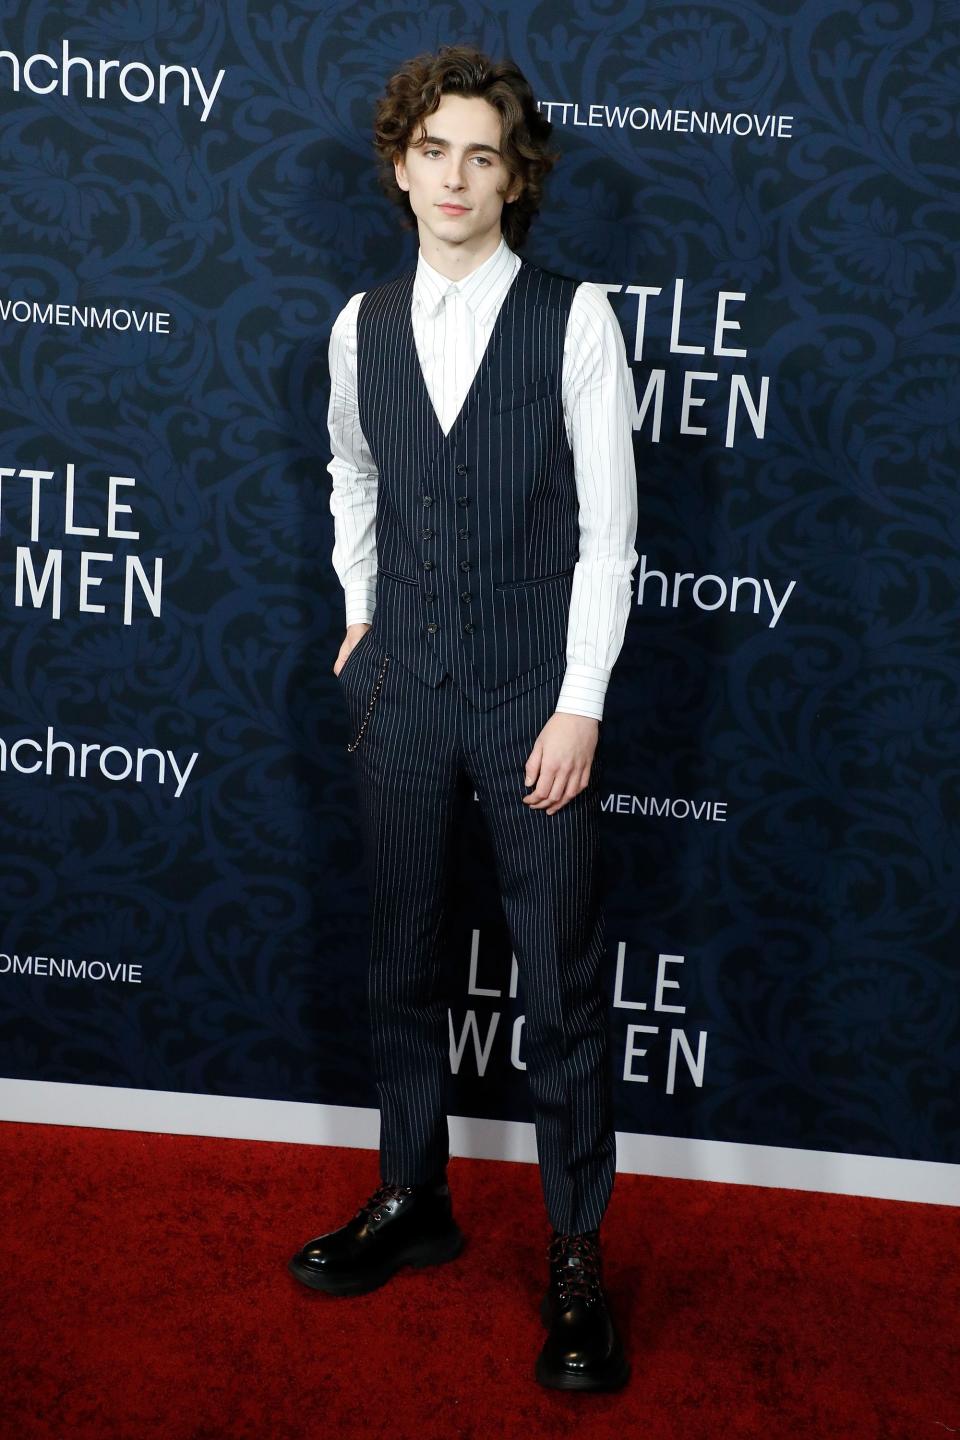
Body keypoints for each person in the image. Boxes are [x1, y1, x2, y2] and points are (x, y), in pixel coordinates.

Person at [288, 42, 638, 1392]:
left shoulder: (573, 317)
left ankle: (574, 1256)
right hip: (404, 696)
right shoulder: (359, 325)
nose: (455, 175)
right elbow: (354, 476)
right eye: (433, 148)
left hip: (529, 704)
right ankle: (413, 1198)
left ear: (515, 175)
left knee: (558, 993)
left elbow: (609, 537)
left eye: (482, 153)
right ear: (399, 164)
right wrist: (359, 618)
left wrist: (579, 705)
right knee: (399, 964)